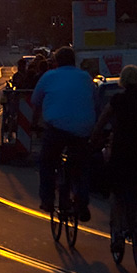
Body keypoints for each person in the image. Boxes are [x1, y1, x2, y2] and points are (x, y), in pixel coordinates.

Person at [91, 65, 137, 253]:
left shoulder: (117, 100)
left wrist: (94, 137)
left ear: (122, 81)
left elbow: (103, 120)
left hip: (122, 152)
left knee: (117, 193)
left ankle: (118, 233)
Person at [31, 46, 97, 221]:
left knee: (46, 161)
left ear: (56, 62)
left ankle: (47, 199)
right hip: (83, 129)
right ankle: (82, 201)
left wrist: (34, 125)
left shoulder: (49, 76)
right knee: (82, 166)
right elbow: (94, 101)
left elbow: (36, 102)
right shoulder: (85, 77)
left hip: (57, 128)